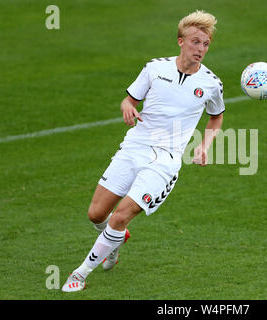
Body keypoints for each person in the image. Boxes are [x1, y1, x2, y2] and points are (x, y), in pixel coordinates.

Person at [62, 10, 224, 292]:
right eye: (196, 42)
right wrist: (127, 107)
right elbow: (129, 100)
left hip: (165, 160)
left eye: (206, 44)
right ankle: (114, 241)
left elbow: (216, 117)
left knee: (119, 216)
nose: (201, 49)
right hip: (134, 147)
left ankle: (80, 273)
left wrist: (204, 146)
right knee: (96, 215)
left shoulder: (211, 84)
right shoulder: (155, 68)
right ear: (180, 41)